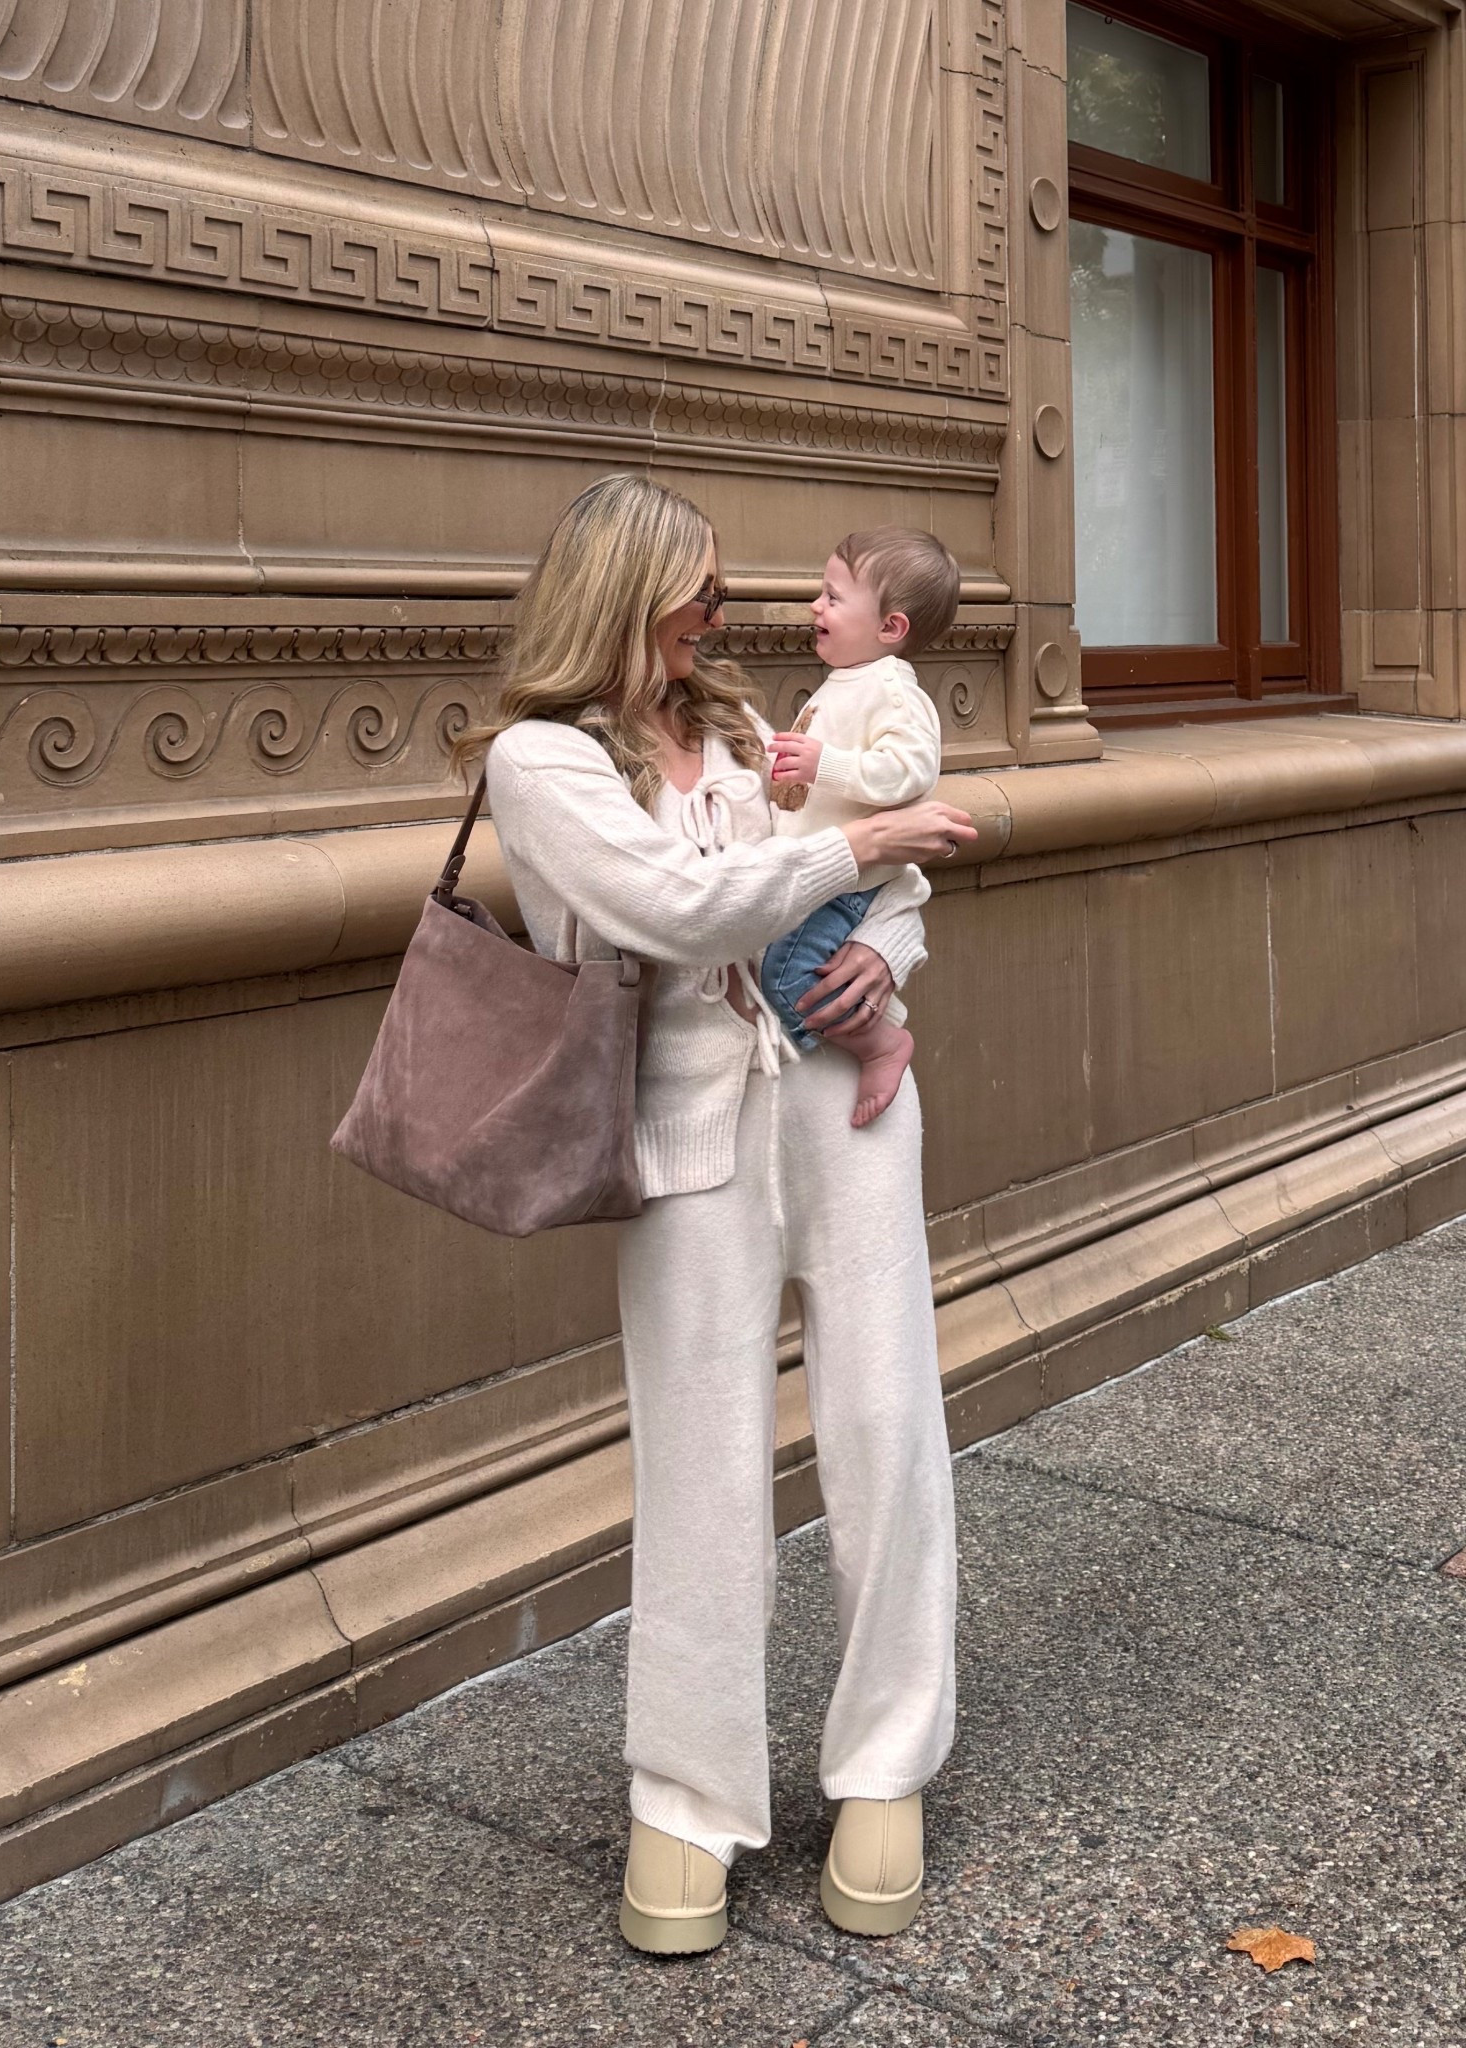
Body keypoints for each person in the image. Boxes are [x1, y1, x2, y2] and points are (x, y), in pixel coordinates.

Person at [451, 473, 976, 1954]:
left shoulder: (753, 728)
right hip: (682, 1128)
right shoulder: (540, 763)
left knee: (885, 1421)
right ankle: (687, 1794)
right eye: (696, 588)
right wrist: (868, 853)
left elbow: (877, 881)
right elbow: (680, 912)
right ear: (622, 593)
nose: (723, 611)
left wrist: (891, 953)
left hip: (846, 1100)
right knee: (701, 1457)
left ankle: (888, 1764)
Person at [763, 527, 960, 1129]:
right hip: (814, 869)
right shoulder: (849, 678)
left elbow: (911, 770)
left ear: (890, 627)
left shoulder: (893, 688)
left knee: (784, 978)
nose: (815, 608)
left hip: (847, 880)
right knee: (787, 971)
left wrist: (827, 764)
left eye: (833, 597)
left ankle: (880, 1043)